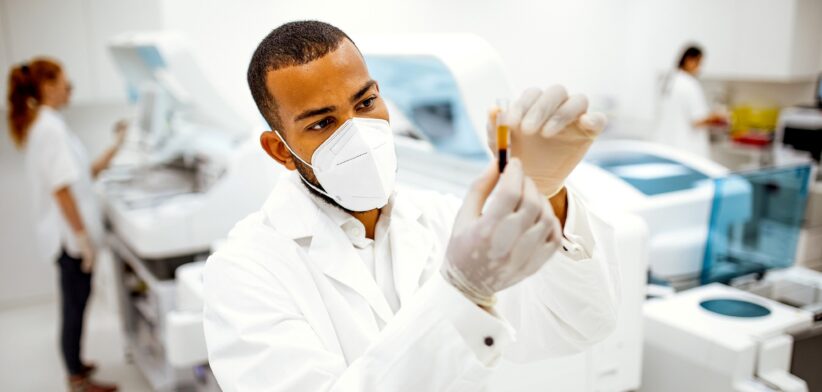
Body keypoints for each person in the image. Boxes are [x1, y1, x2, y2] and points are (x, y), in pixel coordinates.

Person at [203, 21, 618, 391]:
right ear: (281, 150)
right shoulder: (245, 271)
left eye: (365, 103)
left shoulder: (441, 218)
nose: (359, 135)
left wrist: (550, 193)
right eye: (322, 123)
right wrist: (461, 292)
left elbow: (580, 326)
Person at [7, 58, 123, 392]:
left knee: (75, 302)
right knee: (74, 306)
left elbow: (80, 176)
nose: (69, 88)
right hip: (68, 239)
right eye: (64, 82)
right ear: (47, 87)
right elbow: (62, 190)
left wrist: (114, 147)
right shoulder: (50, 129)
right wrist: (82, 237)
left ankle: (76, 364)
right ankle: (76, 377)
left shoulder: (47, 124)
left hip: (63, 236)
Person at [656, 44, 727, 158]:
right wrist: (718, 116)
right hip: (686, 150)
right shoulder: (689, 84)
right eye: (698, 63)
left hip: (665, 146)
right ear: (689, 60)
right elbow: (697, 120)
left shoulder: (668, 80)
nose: (699, 68)